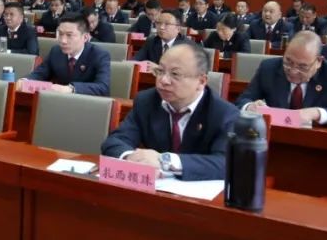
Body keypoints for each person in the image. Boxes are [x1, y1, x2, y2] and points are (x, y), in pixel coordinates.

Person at [101, 41, 240, 181]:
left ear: (201, 81)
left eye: (175, 74)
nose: (163, 80)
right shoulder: (146, 101)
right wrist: (130, 157)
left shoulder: (225, 114)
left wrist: (167, 161)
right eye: (160, 71)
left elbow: (225, 163)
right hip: (154, 187)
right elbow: (115, 141)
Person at [236, 32, 327, 127]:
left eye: (302, 67)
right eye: (288, 62)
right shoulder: (269, 68)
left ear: (319, 62)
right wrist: (250, 107)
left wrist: (317, 113)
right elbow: (242, 101)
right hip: (274, 139)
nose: (293, 71)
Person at [22, 12, 110, 95]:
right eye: (60, 34)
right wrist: (25, 81)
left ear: (85, 37)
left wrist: (72, 89)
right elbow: (40, 73)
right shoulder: (56, 51)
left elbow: (103, 87)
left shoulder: (99, 55)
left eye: (69, 35)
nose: (63, 41)